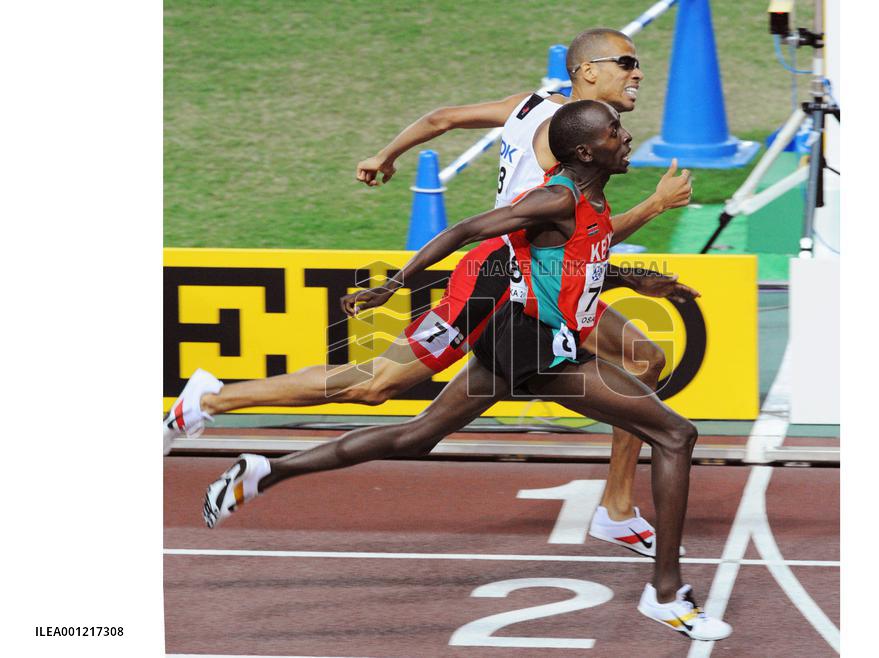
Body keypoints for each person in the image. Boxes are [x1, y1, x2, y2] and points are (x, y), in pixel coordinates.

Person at [202, 101, 730, 641]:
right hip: (540, 351)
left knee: (415, 436)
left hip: (517, 341)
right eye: (614, 131)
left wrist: (638, 279)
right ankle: (666, 594)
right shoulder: (556, 197)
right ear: (584, 150)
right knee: (674, 435)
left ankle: (266, 472)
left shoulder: (591, 199)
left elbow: (581, 260)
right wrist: (396, 282)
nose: (627, 136)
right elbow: (465, 229)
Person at [165, 27, 692, 557]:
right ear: (588, 72)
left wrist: (385, 154)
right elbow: (564, 226)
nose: (638, 72)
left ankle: (617, 508)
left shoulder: (531, 105)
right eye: (626, 63)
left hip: (543, 282)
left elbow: (443, 118)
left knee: (643, 358)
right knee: (376, 385)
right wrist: (653, 206)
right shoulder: (570, 139)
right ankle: (211, 399)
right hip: (494, 282)